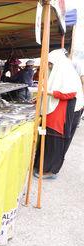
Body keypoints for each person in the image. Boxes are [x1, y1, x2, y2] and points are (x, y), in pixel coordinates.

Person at [33, 49, 83, 179]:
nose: (50, 66)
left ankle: (51, 170)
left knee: (56, 141)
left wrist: (48, 93)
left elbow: (69, 93)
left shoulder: (67, 73)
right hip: (54, 111)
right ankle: (41, 165)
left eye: (51, 64)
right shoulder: (58, 73)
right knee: (48, 139)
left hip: (62, 112)